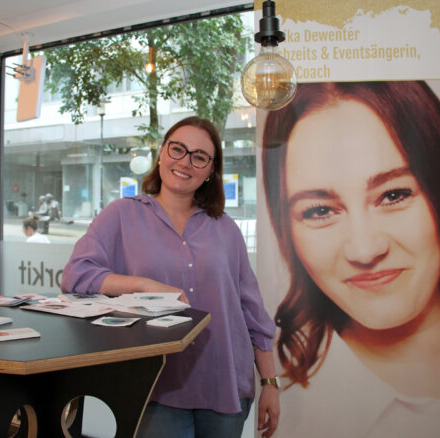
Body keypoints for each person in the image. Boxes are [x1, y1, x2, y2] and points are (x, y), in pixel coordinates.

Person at [261, 81, 440, 438]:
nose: (365, 250)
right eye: (320, 210)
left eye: (394, 194)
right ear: (287, 231)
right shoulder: (291, 414)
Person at [61, 116, 280, 438]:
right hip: (156, 383)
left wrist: (269, 382)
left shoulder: (226, 229)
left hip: (226, 380)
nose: (185, 162)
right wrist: (144, 286)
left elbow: (251, 313)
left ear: (210, 171)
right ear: (162, 153)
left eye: (199, 157)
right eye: (178, 149)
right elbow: (76, 276)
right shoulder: (121, 215)